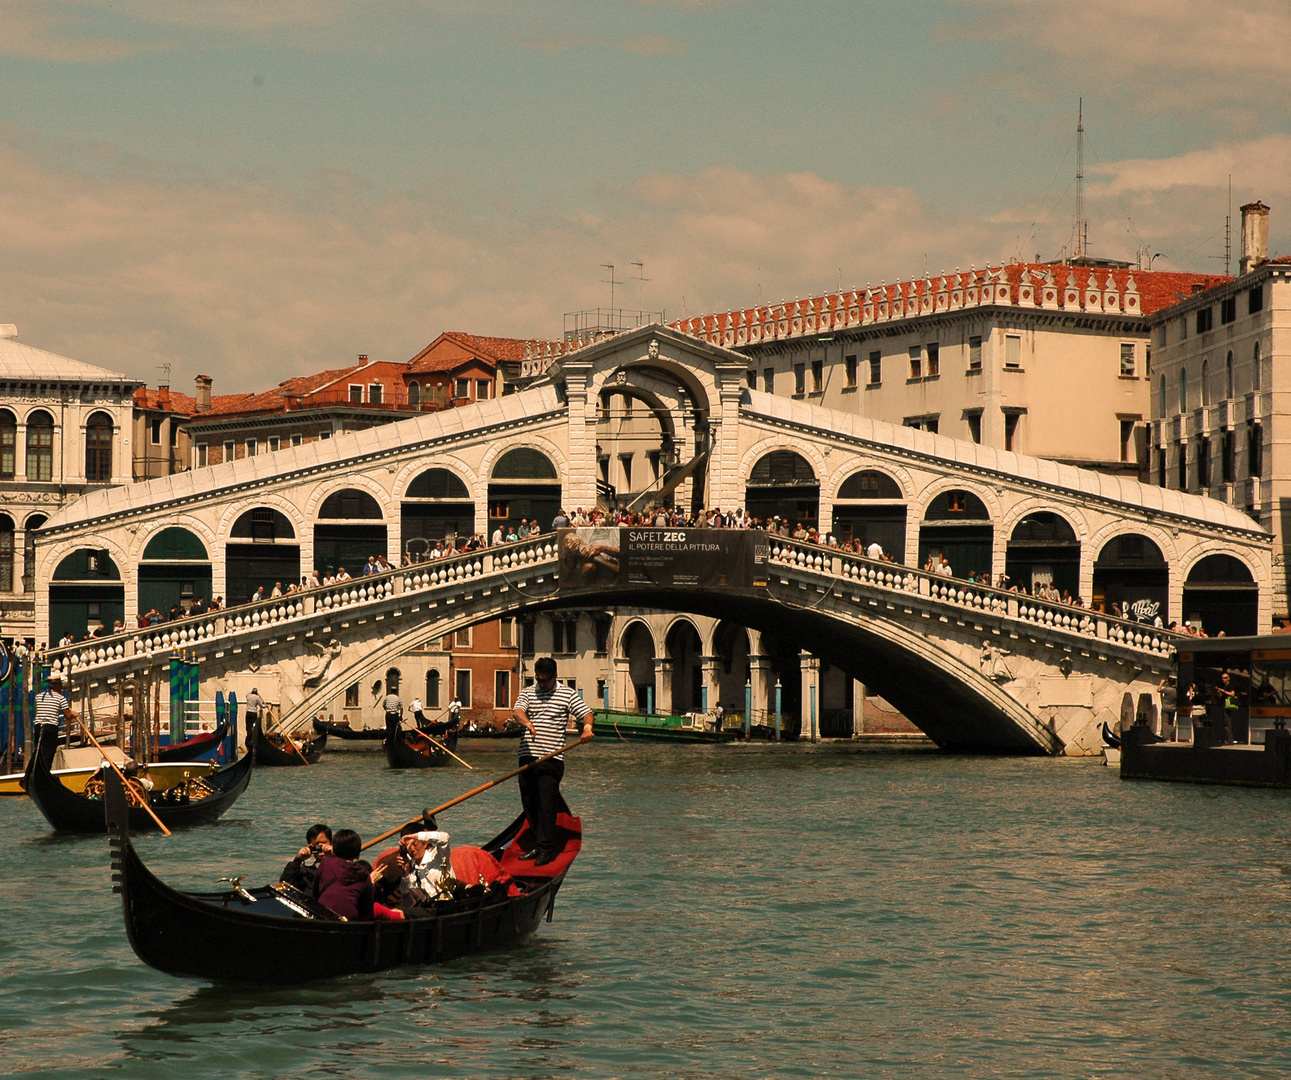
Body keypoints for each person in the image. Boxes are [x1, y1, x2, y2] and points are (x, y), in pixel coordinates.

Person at [511, 656, 594, 866]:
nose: (542, 684)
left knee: (547, 804)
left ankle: (546, 850)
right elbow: (517, 712)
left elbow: (587, 713)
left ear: (555, 676)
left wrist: (587, 728)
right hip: (527, 756)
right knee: (530, 802)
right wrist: (527, 722)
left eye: (545, 680)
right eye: (539, 680)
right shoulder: (529, 692)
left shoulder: (567, 694)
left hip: (551, 759)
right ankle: (538, 845)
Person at [314, 829, 377, 920]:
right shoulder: (364, 872)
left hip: (322, 916)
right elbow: (367, 907)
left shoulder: (326, 862)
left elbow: (315, 892)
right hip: (349, 921)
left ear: (334, 849)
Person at [30, 673, 76, 770]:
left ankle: (38, 770)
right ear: (57, 685)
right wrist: (74, 715)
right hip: (50, 727)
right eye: (60, 685)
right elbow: (68, 716)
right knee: (49, 752)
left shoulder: (39, 697)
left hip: (38, 726)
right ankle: (45, 771)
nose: (62, 687)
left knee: (39, 751)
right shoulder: (61, 699)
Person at [281, 823, 333, 892]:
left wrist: (335, 853)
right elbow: (285, 883)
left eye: (323, 843)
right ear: (310, 847)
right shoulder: (306, 873)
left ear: (331, 843)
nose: (320, 848)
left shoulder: (341, 867)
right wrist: (298, 859)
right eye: (316, 845)